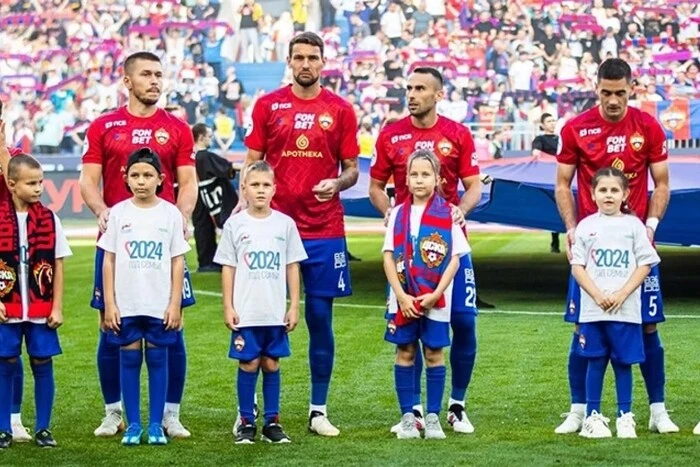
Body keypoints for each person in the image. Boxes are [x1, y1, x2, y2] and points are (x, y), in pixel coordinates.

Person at [240, 31, 359, 436]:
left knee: (319, 318)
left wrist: (337, 184)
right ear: (288, 62)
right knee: (260, 315)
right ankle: (253, 409)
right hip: (272, 227)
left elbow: (352, 168)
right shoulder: (268, 105)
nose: (306, 64)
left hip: (324, 229)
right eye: (299, 57)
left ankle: (317, 410)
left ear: (323, 62)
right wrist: (246, 208)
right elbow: (253, 163)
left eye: (313, 57)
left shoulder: (340, 109)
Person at [78, 51, 198, 439]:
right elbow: (88, 180)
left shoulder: (177, 128)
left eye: (159, 75)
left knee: (172, 325)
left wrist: (181, 218)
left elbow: (188, 181)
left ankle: (170, 413)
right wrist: (102, 213)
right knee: (110, 327)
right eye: (146, 74)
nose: (155, 81)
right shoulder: (103, 125)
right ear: (127, 81)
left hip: (163, 246)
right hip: (117, 246)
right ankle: (114, 411)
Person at [555, 58, 676, 434]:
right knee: (583, 328)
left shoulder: (648, 126)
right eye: (606, 93)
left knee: (648, 328)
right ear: (596, 88)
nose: (612, 100)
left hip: (633, 244)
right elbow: (562, 184)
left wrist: (651, 225)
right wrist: (572, 228)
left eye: (620, 93)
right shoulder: (575, 127)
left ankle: (657, 410)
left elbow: (663, 183)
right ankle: (580, 411)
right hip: (591, 247)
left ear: (632, 88)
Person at [369, 67, 481, 434]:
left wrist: (459, 212)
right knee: (409, 323)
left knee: (463, 323)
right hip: (405, 253)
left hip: (445, 249)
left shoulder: (457, 134)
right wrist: (390, 216)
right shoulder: (390, 135)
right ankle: (414, 412)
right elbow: (375, 186)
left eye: (420, 88)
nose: (412, 94)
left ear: (438, 94)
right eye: (409, 88)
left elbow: (474, 186)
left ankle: (456, 405)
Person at [99, 148, 190, 446]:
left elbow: (178, 260)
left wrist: (175, 302)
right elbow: (109, 259)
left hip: (158, 304)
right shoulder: (119, 213)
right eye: (135, 175)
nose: (141, 181)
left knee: (158, 359)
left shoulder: (170, 214)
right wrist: (110, 303)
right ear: (126, 178)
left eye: (147, 175)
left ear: (161, 179)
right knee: (128, 360)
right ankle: (133, 424)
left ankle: (155, 424)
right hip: (126, 304)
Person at [214, 161, 307, 444]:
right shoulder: (235, 224)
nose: (261, 190)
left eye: (266, 185)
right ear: (244, 188)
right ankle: (245, 422)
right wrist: (228, 306)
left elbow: (292, 265)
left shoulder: (284, 224)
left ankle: (272, 422)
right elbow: (228, 267)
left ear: (274, 189)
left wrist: (293, 305)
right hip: (246, 311)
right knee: (248, 363)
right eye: (254, 185)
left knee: (271, 363)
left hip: (273, 310)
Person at [383, 150, 470, 440]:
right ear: (405, 179)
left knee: (434, 353)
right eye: (414, 174)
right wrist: (400, 295)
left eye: (425, 174)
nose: (419, 180)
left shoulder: (448, 214)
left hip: (435, 299)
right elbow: (387, 257)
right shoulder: (396, 214)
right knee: (405, 352)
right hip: (403, 298)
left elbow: (455, 259)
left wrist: (436, 293)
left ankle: (432, 417)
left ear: (438, 179)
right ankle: (408, 416)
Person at [572, 167, 660, 439]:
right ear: (592, 193)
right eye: (603, 190)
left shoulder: (634, 226)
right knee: (595, 361)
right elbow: (577, 266)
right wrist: (597, 295)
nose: (608, 195)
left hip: (626, 310)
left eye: (614, 190)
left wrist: (622, 293)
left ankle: (625, 417)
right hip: (593, 311)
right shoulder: (586, 226)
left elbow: (646, 263)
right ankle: (593, 417)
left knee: (624, 364)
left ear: (625, 194)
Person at [0, 153, 72, 449]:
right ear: (12, 184)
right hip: (8, 308)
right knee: (5, 362)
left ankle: (43, 428)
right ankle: (4, 428)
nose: (39, 188)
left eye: (41, 182)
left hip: (41, 309)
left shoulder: (49, 218)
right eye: (32, 183)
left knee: (42, 362)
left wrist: (56, 306)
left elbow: (57, 265)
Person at [0, 102, 32, 443]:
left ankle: (13, 418)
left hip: (7, 257)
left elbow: (12, 183)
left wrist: (0, 140)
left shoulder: (14, 155)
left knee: (9, 348)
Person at [192, 123, 238, 273]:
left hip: (199, 194)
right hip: (214, 195)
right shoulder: (205, 156)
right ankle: (224, 259)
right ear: (201, 137)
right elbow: (227, 168)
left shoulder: (190, 157)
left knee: (202, 226)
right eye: (209, 137)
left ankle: (206, 262)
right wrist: (249, 166)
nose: (211, 140)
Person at [531, 113, 561, 253]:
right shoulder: (540, 139)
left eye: (553, 120)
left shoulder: (562, 139)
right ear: (542, 125)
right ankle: (555, 242)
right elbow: (536, 154)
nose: (552, 123)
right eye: (549, 121)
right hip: (548, 178)